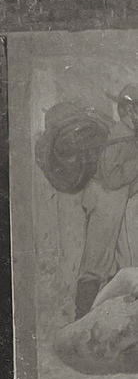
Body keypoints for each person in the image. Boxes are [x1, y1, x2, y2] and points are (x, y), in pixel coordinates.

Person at [72, 85, 138, 318]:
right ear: (129, 110)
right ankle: (81, 319)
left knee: (116, 264)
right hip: (105, 204)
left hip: (114, 205)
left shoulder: (128, 137)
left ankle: (102, 321)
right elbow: (112, 178)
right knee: (96, 263)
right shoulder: (120, 137)